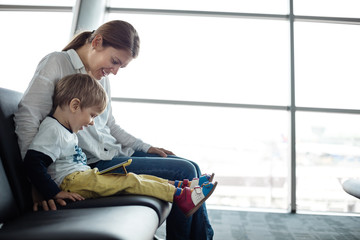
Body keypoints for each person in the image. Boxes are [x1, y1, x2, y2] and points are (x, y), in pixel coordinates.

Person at [14, 20, 214, 239]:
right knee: (184, 171)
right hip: (90, 163)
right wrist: (37, 184)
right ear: (97, 42)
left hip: (110, 152)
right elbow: (28, 118)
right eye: (115, 61)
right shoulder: (57, 63)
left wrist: (145, 147)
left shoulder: (101, 76)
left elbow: (110, 126)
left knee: (191, 166)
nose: (116, 71)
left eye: (121, 66)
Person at [24, 73, 217, 218]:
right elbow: (33, 162)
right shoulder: (53, 130)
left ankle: (183, 187)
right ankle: (181, 198)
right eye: (92, 115)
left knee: (134, 177)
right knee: (130, 181)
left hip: (82, 176)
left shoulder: (65, 130)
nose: (92, 122)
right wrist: (54, 192)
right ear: (75, 105)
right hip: (72, 181)